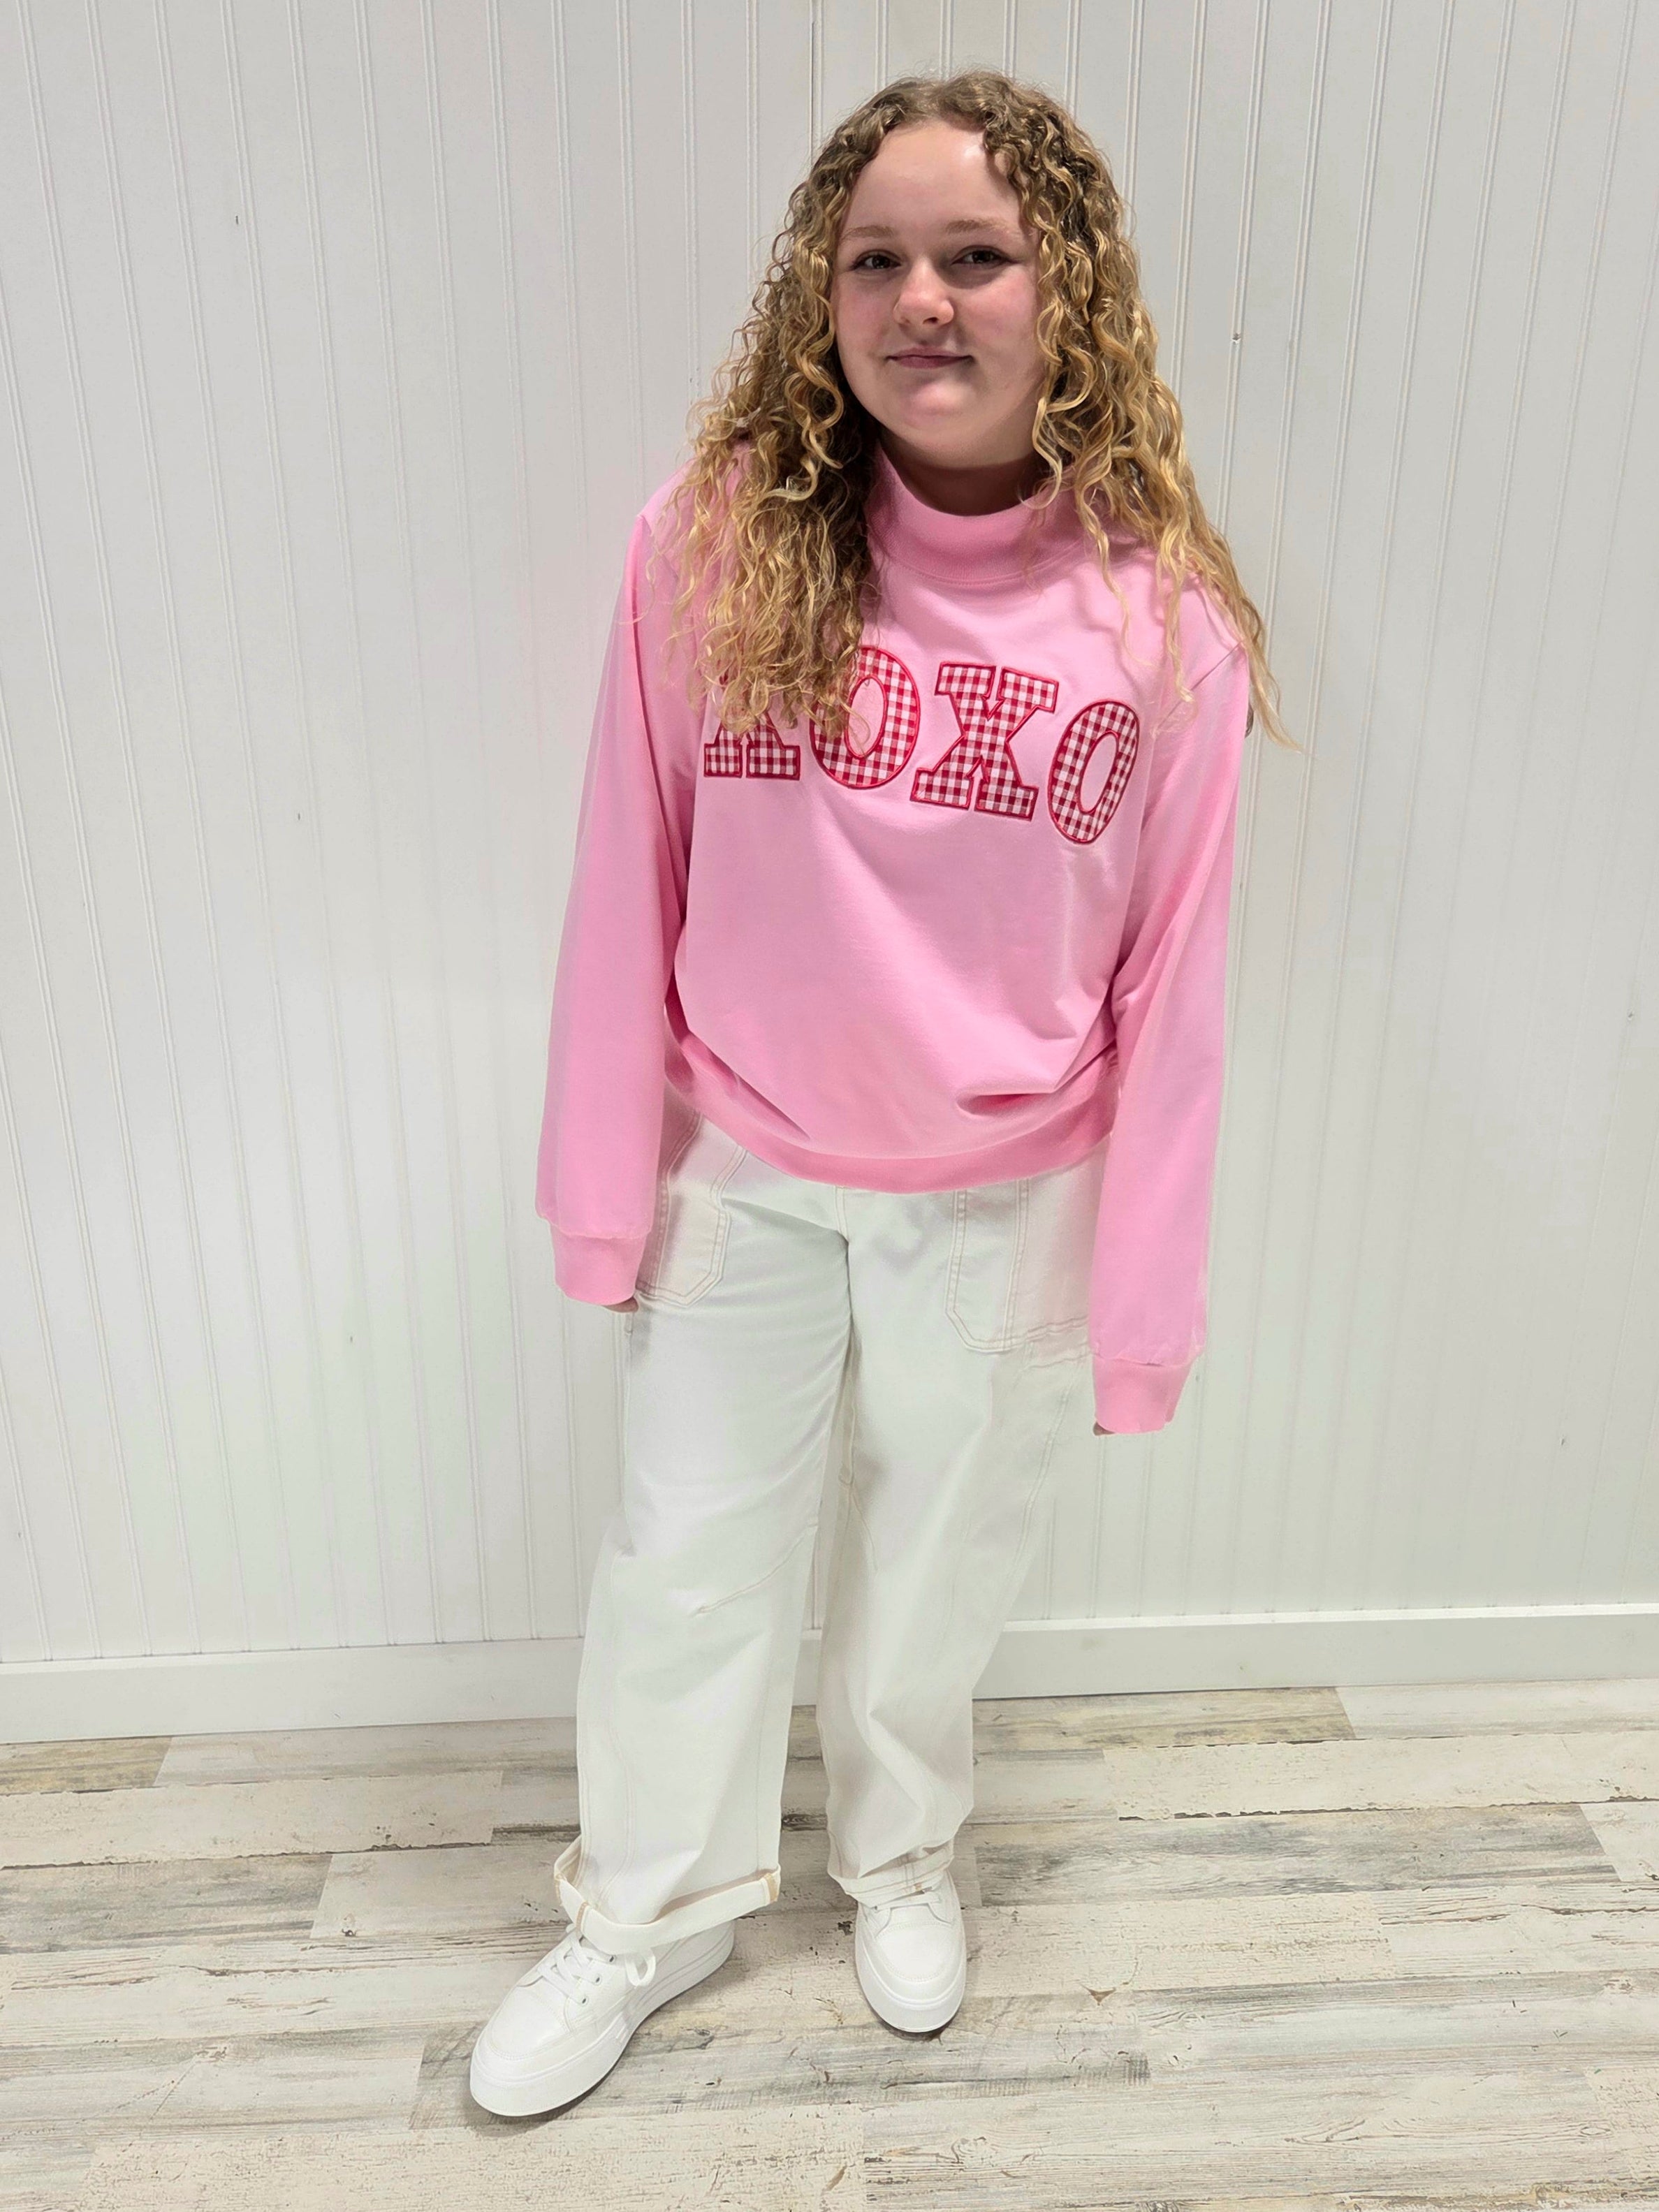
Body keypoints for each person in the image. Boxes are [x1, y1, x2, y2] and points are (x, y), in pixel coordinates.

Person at [469, 66, 1289, 2119]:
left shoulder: (1160, 620)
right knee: (686, 1558)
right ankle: (646, 1911)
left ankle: (901, 1858)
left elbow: (1177, 995)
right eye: (878, 259)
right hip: (740, 1161)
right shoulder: (713, 544)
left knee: (941, 1566)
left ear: (1066, 290)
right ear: (820, 294)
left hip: (1012, 1195)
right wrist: (601, 1188)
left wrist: (1146, 1313)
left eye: (978, 256)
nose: (924, 298)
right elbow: (626, 873)